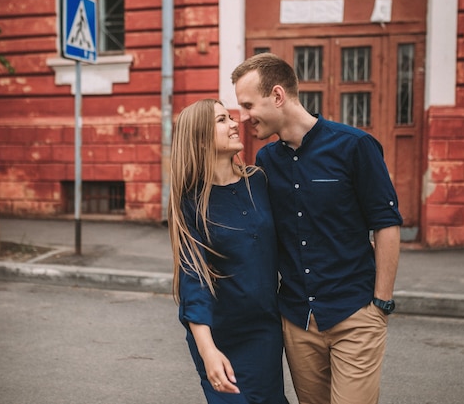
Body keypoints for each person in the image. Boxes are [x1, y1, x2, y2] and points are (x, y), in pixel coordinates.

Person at [231, 53, 403, 404]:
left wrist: (380, 304)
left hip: (354, 314)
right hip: (297, 321)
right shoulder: (266, 160)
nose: (243, 116)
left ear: (277, 96)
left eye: (248, 105)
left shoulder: (354, 146)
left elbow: (386, 224)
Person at [167, 98, 289, 404]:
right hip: (218, 335)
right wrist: (208, 352)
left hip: (264, 329)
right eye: (222, 120)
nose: (235, 124)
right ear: (200, 138)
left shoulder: (259, 182)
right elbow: (192, 280)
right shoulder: (190, 201)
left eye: (230, 117)